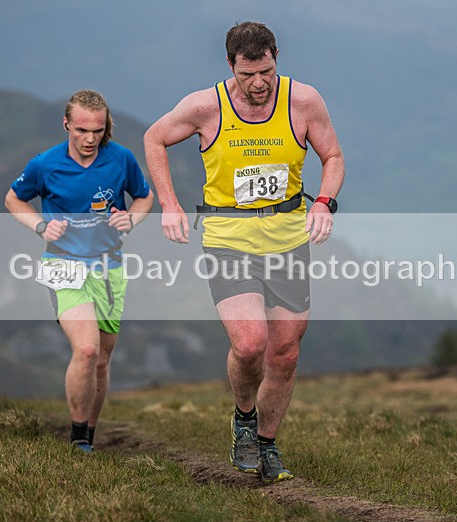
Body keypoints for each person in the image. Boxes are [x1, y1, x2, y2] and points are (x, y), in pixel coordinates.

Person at [143, 22, 344, 482]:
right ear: (230, 65)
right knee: (250, 343)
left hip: (288, 238)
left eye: (267, 71)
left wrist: (324, 203)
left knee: (285, 352)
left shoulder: (304, 101)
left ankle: (268, 445)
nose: (259, 83)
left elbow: (332, 156)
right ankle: (243, 419)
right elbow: (154, 138)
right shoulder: (204, 106)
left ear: (277, 58)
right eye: (249, 73)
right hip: (228, 237)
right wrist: (169, 204)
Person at [5, 89, 153, 452]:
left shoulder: (121, 159)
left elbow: (145, 196)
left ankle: (89, 432)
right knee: (86, 350)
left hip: (109, 267)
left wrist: (130, 219)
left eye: (97, 131)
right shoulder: (45, 164)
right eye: (82, 130)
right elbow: (13, 198)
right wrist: (41, 226)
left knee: (101, 361)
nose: (89, 139)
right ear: (66, 124)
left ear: (106, 128)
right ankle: (76, 439)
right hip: (63, 265)